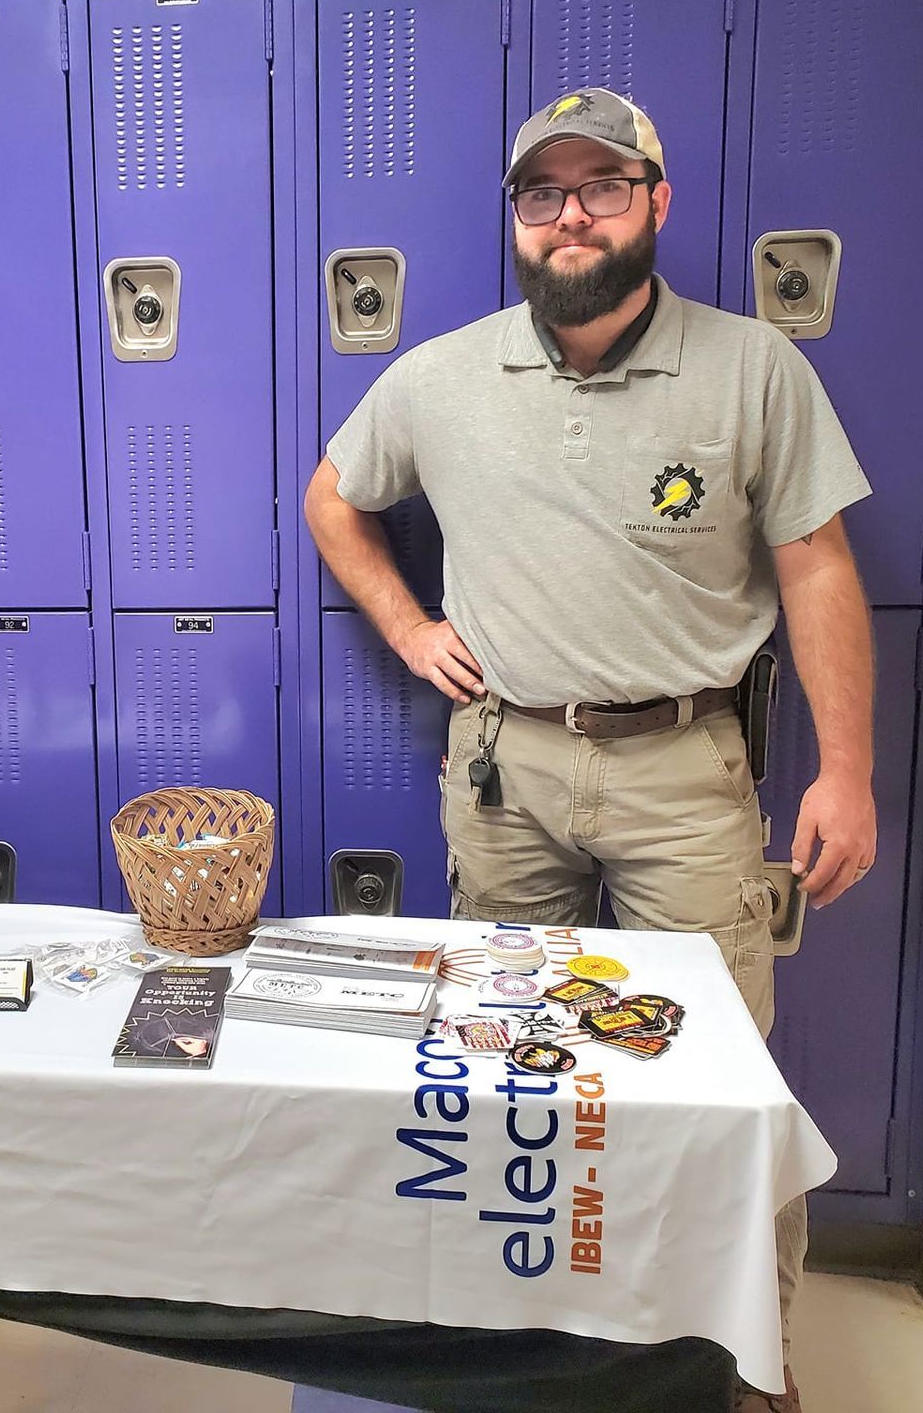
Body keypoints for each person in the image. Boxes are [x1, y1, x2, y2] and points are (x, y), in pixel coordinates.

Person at [305, 87, 877, 1413]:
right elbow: (336, 495)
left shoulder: (754, 370)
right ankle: (533, 1344)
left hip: (687, 779)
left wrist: (845, 770)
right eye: (542, 193)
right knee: (511, 1074)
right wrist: (407, 624)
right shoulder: (444, 376)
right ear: (515, 220)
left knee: (722, 1090)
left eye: (601, 187)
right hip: (507, 778)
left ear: (655, 203)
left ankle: (751, 1363)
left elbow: (820, 566)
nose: (570, 215)